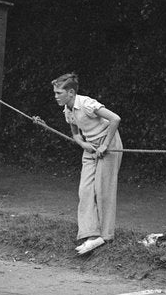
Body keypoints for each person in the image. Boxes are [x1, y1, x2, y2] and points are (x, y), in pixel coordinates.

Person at [51, 72, 122, 256]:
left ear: (71, 93)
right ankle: (91, 234)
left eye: (59, 93)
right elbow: (75, 133)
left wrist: (105, 145)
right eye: (55, 92)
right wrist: (84, 144)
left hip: (108, 144)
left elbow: (115, 119)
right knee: (85, 189)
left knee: (103, 190)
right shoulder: (68, 110)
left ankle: (105, 236)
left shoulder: (87, 104)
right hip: (90, 148)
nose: (56, 96)